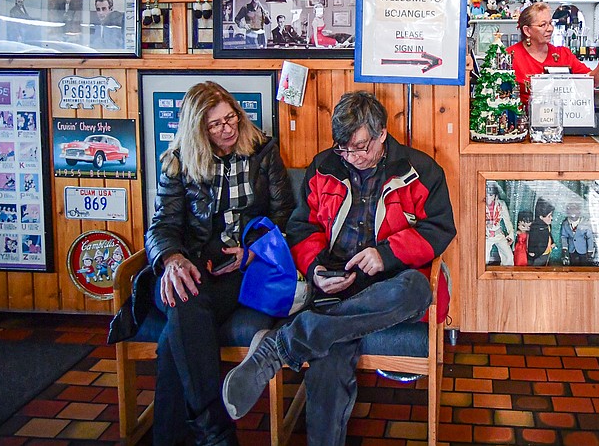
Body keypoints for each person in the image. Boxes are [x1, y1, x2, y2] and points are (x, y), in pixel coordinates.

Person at [221, 91, 456, 445]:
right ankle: (308, 339)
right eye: (344, 149)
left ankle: (284, 344)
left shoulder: (420, 171)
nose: (353, 157)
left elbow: (439, 229)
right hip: (335, 282)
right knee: (328, 361)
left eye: (361, 147)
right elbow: (303, 227)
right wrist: (315, 269)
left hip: (389, 283)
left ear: (381, 135)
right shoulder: (324, 165)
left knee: (417, 289)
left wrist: (386, 254)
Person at [144, 81, 294, 446]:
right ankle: (215, 431)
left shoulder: (262, 152)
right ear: (198, 130)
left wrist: (253, 250)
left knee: (176, 334)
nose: (228, 129)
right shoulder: (178, 162)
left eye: (232, 119)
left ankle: (179, 437)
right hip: (193, 267)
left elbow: (286, 216)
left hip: (241, 271)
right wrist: (173, 259)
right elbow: (162, 226)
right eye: (215, 124)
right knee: (183, 299)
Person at [508, 1, 599, 106]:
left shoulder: (563, 54)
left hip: (562, 122)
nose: (550, 29)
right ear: (527, 30)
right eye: (543, 25)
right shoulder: (510, 56)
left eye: (550, 23)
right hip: (521, 124)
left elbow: (592, 81)